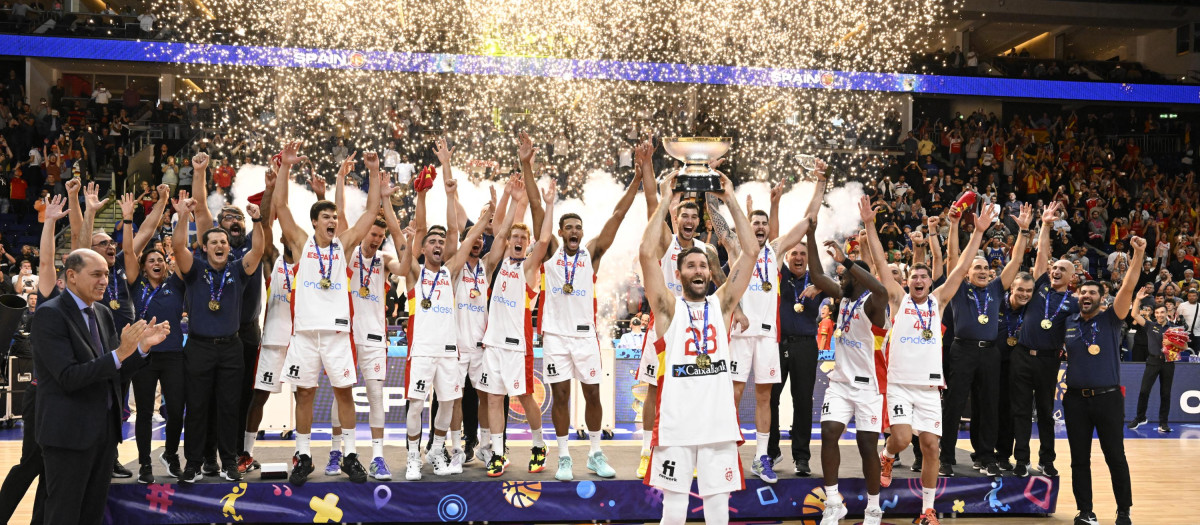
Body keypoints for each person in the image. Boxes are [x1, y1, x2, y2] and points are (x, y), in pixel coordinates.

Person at [518, 132, 637, 481]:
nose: (573, 231)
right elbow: (537, 207)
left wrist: (636, 177)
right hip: (555, 336)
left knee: (593, 395)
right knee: (561, 395)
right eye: (568, 227)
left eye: (577, 228)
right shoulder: (552, 252)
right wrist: (527, 165)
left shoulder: (592, 253)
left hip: (585, 337)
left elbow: (618, 213)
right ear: (559, 232)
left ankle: (596, 453)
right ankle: (566, 457)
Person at [641, 170, 757, 525]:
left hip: (716, 424)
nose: (698, 270)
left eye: (703, 265)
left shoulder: (722, 306)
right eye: (690, 265)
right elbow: (646, 255)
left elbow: (750, 252)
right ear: (679, 274)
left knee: (718, 510)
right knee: (673, 510)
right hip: (676, 424)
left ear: (710, 272)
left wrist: (730, 199)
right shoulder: (667, 309)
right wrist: (664, 200)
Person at [873, 196, 994, 525]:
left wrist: (978, 233)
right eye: (915, 276)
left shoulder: (938, 302)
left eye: (925, 277)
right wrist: (870, 226)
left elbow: (959, 268)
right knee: (899, 439)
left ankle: (926, 510)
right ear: (909, 280)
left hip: (928, 388)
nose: (919, 280)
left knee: (930, 447)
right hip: (899, 384)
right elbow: (882, 266)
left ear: (930, 281)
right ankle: (886, 456)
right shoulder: (898, 299)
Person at [30, 249, 169, 525]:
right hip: (68, 437)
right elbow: (69, 377)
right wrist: (120, 353)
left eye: (106, 273)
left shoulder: (103, 313)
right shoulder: (50, 315)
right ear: (71, 276)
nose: (104, 280)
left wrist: (140, 349)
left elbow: (113, 372)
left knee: (92, 514)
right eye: (96, 274)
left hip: (103, 435)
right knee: (64, 515)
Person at [273, 143, 382, 485]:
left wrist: (374, 173)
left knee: (344, 392)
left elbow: (372, 210)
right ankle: (304, 456)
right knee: (304, 393)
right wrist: (285, 169)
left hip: (336, 334)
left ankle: (350, 455)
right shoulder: (300, 241)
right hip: (304, 333)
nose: (333, 220)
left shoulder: (345, 243)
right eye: (327, 217)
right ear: (315, 222)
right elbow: (279, 206)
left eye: (335, 216)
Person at [718, 168, 818, 484]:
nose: (760, 227)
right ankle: (723, 453)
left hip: (767, 337)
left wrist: (821, 185)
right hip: (740, 334)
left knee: (765, 398)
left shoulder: (774, 252)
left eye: (764, 224)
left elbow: (807, 222)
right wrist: (712, 184)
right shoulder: (736, 247)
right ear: (746, 227)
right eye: (755, 223)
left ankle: (762, 458)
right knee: (732, 394)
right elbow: (717, 221)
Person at [396, 156, 494, 480]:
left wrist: (486, 217)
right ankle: (413, 456)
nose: (439, 244)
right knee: (415, 406)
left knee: (449, 405)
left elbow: (464, 238)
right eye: (433, 242)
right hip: (423, 350)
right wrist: (421, 196)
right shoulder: (414, 273)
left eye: (441, 242)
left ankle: (437, 451)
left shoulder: (451, 272)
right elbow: (418, 229)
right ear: (423, 249)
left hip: (448, 352)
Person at [633, 149, 721, 479]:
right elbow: (652, 205)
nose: (689, 221)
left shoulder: (706, 251)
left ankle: (691, 452)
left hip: (695, 327)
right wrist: (646, 166)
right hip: (663, 325)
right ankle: (646, 451)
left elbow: (723, 286)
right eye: (683, 216)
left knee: (692, 391)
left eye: (694, 217)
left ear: (699, 222)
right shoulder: (667, 242)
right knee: (654, 391)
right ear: (675, 219)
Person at [171, 186, 266, 483]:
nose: (220, 245)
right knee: (197, 408)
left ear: (228, 246)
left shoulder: (238, 269)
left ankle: (228, 463)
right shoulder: (195, 269)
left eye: (223, 241)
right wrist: (182, 217)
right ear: (206, 246)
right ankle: (194, 463)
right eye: (214, 242)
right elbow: (177, 248)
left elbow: (259, 249)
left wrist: (259, 221)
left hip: (231, 349)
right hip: (198, 348)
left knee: (228, 408)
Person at [938, 203, 1032, 477]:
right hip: (962, 350)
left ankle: (985, 456)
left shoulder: (995, 287)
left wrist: (1024, 231)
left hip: (990, 352)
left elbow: (1015, 262)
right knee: (954, 404)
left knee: (989, 405)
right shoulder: (958, 288)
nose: (981, 271)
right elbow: (953, 256)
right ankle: (946, 457)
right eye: (975, 267)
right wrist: (956, 226)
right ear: (967, 272)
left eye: (985, 268)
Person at [1062, 236, 1144, 525]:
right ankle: (1086, 511)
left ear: (1101, 298)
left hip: (1108, 398)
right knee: (1078, 460)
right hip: (1074, 400)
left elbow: (1130, 285)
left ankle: (1124, 511)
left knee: (1115, 457)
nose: (1086, 296)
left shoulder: (1111, 318)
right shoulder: (1069, 321)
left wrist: (1139, 253)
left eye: (1092, 293)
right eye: (1082, 292)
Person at [479, 177, 556, 478]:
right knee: (495, 399)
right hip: (493, 344)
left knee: (524, 397)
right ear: (509, 241)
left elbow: (546, 240)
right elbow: (500, 232)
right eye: (515, 237)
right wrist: (514, 199)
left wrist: (548, 205)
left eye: (524, 238)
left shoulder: (528, 268)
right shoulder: (499, 264)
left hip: (516, 345)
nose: (519, 241)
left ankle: (539, 445)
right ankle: (497, 453)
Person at [0, 194, 68, 524]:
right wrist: (51, 221)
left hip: (66, 398)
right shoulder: (51, 300)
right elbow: (46, 263)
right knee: (31, 463)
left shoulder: (87, 311)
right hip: (43, 397)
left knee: (50, 468)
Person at [811, 234, 888, 525]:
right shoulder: (842, 299)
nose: (841, 277)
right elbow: (817, 275)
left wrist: (847, 260)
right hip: (840, 384)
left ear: (858, 278)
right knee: (829, 433)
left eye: (845, 274)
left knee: (867, 447)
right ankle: (833, 502)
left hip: (868, 387)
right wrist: (810, 232)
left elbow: (880, 288)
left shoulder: (873, 304)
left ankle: (873, 509)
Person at [118, 194, 187, 484]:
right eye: (152, 260)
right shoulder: (135, 285)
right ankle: (145, 464)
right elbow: (129, 253)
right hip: (143, 357)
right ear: (144, 267)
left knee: (175, 409)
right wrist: (127, 220)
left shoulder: (176, 284)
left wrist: (181, 216)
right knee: (144, 413)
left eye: (160, 260)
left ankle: (170, 454)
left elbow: (183, 251)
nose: (156, 262)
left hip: (173, 355)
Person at [1010, 201, 1076, 478]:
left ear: (1072, 277)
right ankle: (1022, 461)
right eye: (1054, 267)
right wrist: (1046, 225)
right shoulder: (1040, 288)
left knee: (1046, 413)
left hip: (1049, 360)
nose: (1056, 270)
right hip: (1022, 355)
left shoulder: (1073, 302)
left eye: (1062, 269)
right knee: (1021, 411)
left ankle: (1046, 460)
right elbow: (1041, 256)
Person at [991, 272, 1035, 471]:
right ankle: (984, 453)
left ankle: (1003, 455)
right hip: (993, 366)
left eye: (1029, 291)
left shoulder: (1032, 310)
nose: (1024, 294)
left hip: (1019, 369)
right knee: (990, 410)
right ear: (1011, 288)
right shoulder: (996, 305)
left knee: (1010, 413)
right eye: (1020, 289)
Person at [1128, 289, 1181, 433]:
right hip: (1152, 361)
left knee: (1165, 393)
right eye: (1157, 313)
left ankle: (1163, 423)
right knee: (1144, 390)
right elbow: (1134, 314)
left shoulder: (1174, 329)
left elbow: (1184, 346)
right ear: (1154, 314)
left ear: (1167, 313)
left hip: (1168, 362)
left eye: (1162, 312)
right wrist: (1138, 299)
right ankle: (1140, 417)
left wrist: (1173, 344)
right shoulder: (1150, 325)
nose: (1159, 315)